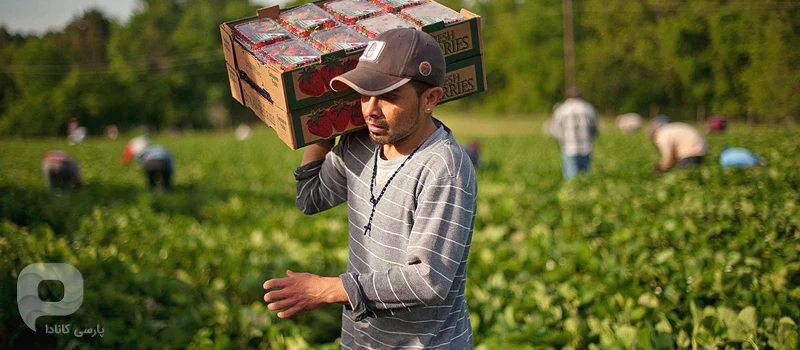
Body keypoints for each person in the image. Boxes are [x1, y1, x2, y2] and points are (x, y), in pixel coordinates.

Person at [262, 28, 477, 349]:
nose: (370, 109)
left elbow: (429, 280)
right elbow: (310, 199)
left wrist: (330, 289)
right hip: (361, 340)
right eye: (363, 94)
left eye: (388, 96)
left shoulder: (444, 167)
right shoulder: (360, 143)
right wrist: (320, 134)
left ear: (430, 98)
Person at [549, 87, 598, 179]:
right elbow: (595, 128)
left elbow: (555, 131)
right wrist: (591, 139)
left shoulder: (561, 110)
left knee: (571, 180)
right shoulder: (588, 108)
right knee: (585, 178)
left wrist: (559, 144)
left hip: (568, 148)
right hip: (586, 147)